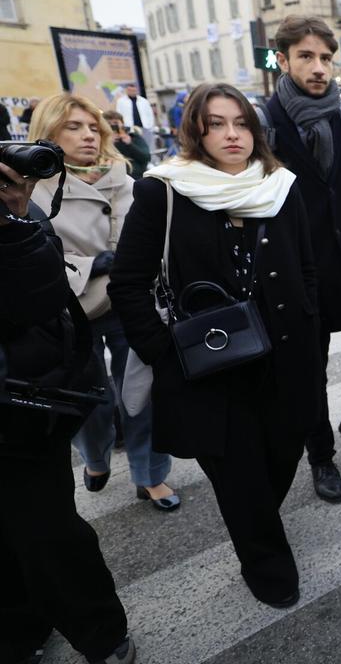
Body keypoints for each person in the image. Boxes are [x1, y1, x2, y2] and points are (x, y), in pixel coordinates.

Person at [109, 82, 322, 608]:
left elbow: (307, 267)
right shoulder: (165, 190)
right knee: (238, 476)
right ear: (195, 132)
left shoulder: (280, 185)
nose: (232, 134)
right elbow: (128, 284)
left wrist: (310, 329)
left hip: (284, 358)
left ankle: (258, 525)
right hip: (209, 373)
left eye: (241, 122)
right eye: (216, 124)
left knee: (281, 458)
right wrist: (165, 352)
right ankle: (265, 560)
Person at [0, 157, 136, 664]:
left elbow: (43, 292)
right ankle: (19, 632)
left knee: (49, 532)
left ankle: (102, 633)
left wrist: (13, 215)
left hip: (21, 404)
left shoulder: (18, 214)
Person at [27, 94, 178, 511]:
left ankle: (150, 475)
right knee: (91, 400)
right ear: (49, 132)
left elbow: (152, 240)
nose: (88, 135)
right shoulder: (33, 188)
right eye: (74, 127)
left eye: (93, 127)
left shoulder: (125, 179)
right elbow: (32, 255)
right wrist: (92, 263)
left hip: (131, 301)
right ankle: (95, 458)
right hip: (71, 308)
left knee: (142, 393)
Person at [265, 15, 341, 503]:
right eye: (306, 56)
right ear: (283, 60)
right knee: (310, 370)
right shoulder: (264, 124)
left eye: (326, 58)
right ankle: (321, 456)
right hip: (297, 268)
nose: (319, 68)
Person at [103, 111, 152, 179]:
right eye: (108, 123)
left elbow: (146, 157)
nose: (112, 126)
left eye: (115, 123)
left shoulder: (133, 137)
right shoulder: (102, 141)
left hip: (137, 176)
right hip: (114, 178)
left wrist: (130, 144)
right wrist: (108, 143)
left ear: (122, 123)